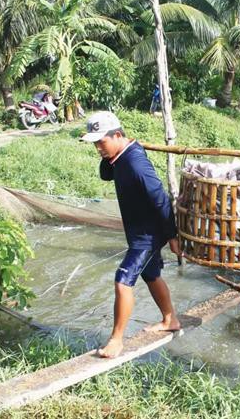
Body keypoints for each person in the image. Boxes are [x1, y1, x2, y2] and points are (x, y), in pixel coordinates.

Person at [81, 111, 181, 358]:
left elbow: (159, 198)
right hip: (138, 231)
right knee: (151, 275)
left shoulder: (135, 162)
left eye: (101, 142)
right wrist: (108, 154)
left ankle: (116, 340)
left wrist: (172, 236)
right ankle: (170, 319)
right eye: (95, 143)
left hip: (147, 234)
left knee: (122, 281)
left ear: (117, 135)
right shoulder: (120, 158)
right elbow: (105, 174)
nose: (97, 148)